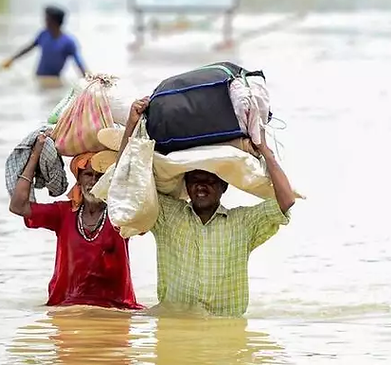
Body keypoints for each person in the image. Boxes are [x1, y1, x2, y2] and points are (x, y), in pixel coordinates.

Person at [118, 98, 296, 317]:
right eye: (194, 179)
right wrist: (132, 124)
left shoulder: (244, 222)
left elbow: (285, 201)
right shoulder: (167, 215)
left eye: (209, 180)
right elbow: (126, 186)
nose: (201, 186)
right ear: (186, 185)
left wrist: (264, 150)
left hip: (226, 335)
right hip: (176, 331)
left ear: (224, 186)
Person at [9, 141, 143, 310]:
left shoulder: (121, 213)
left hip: (115, 309)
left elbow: (144, 205)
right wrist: (35, 155)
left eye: (100, 176)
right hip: (66, 307)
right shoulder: (63, 213)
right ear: (79, 179)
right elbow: (18, 206)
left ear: (109, 181)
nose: (93, 181)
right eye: (88, 174)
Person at [3, 6, 87, 78]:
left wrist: (88, 80)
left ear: (54, 22)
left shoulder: (68, 42)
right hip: (39, 77)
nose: (44, 21)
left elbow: (78, 62)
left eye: (47, 18)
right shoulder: (43, 34)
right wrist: (12, 59)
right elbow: (29, 48)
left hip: (53, 80)